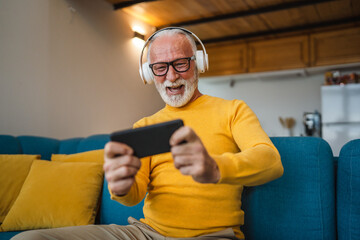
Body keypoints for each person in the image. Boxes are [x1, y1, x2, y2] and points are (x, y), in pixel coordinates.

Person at [12, 27, 283, 240]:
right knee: (31, 238)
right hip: (145, 234)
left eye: (181, 64)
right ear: (148, 73)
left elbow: (270, 161)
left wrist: (215, 168)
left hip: (211, 236)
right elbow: (134, 194)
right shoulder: (144, 126)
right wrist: (120, 187)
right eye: (160, 68)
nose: (171, 77)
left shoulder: (232, 110)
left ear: (198, 62)